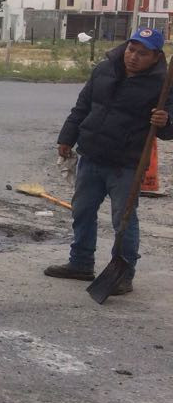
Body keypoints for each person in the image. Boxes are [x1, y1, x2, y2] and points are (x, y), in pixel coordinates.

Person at [46, 27, 172, 295]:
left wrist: (166, 121)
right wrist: (67, 137)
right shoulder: (105, 69)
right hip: (91, 154)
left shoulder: (163, 85)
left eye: (142, 53)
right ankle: (80, 263)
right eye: (131, 49)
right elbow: (83, 106)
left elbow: (168, 129)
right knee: (82, 211)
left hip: (126, 163)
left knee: (123, 220)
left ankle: (123, 274)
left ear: (156, 57)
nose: (133, 56)